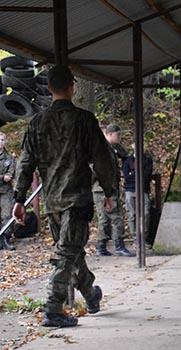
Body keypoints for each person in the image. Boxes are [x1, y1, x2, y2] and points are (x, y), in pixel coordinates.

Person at [12, 65, 118, 328]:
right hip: (77, 199)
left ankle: (91, 295)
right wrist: (110, 191)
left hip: (53, 203)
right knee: (67, 254)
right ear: (72, 87)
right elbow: (103, 158)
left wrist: (19, 198)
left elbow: (25, 163)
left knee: (70, 253)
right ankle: (53, 308)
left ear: (48, 88)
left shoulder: (37, 122)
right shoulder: (84, 120)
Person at [93, 124, 133, 257]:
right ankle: (118, 245)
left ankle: (101, 245)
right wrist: (106, 190)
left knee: (104, 218)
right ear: (110, 134)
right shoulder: (102, 149)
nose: (120, 137)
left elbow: (125, 155)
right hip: (104, 188)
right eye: (118, 135)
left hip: (105, 187)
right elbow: (98, 170)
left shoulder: (110, 148)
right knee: (115, 217)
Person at [121, 147, 154, 244]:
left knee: (146, 213)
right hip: (130, 190)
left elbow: (146, 175)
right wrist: (137, 175)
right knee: (132, 214)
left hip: (143, 189)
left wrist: (133, 174)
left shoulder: (147, 160)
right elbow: (127, 176)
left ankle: (144, 236)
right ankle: (135, 236)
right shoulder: (128, 161)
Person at [0, 132, 17, 250]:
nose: (0, 142)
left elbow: (10, 174)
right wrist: (2, 177)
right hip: (3, 183)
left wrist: (6, 176)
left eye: (2, 140)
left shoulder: (9, 158)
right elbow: (5, 177)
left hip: (6, 190)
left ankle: (5, 238)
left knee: (7, 214)